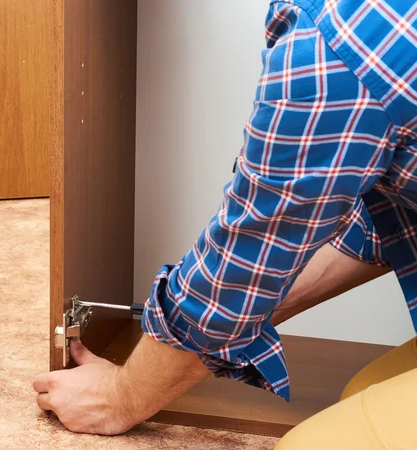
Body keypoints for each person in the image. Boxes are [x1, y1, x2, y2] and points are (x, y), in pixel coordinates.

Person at [34, 0, 417, 446]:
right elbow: (379, 226)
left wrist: (122, 396)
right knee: (360, 394)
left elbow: (246, 257)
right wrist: (245, 312)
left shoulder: (340, 44)